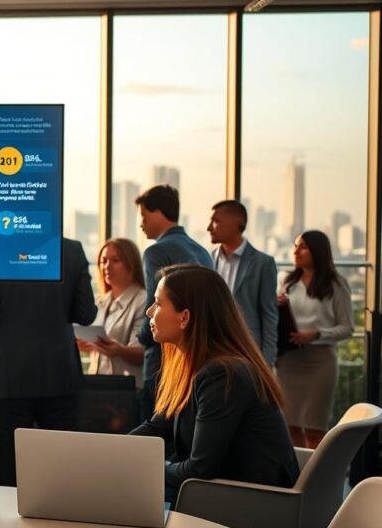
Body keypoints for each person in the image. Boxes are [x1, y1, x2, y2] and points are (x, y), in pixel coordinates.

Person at [130, 264, 299, 503]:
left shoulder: (222, 374)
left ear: (185, 317)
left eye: (157, 303)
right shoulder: (197, 366)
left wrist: (140, 470)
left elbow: (200, 468)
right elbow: (158, 428)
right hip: (227, 489)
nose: (149, 311)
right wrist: (115, 452)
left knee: (126, 493)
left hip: (252, 502)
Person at [0, 237, 97, 487]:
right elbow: (85, 314)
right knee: (60, 463)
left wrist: (0, 350)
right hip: (59, 373)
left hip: (7, 374)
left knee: (8, 466)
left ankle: (7, 525)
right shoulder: (72, 250)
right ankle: (58, 520)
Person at [134, 185, 213, 420]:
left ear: (158, 213)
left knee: (155, 432)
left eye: (144, 217)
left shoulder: (156, 252)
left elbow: (153, 305)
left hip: (164, 357)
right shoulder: (202, 251)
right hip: (197, 353)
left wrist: (141, 338)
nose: (141, 224)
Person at [276, 230, 353, 449]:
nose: (295, 251)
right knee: (290, 426)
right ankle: (299, 478)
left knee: (314, 428)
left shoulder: (337, 284)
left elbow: (347, 328)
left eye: (303, 247)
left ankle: (317, 480)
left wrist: (317, 334)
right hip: (288, 361)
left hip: (320, 363)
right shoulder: (287, 282)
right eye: (295, 246)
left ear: (317, 251)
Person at [207, 200, 279, 366]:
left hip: (249, 351)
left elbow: (269, 315)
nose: (209, 227)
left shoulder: (263, 263)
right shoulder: (207, 260)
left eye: (216, 221)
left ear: (236, 224)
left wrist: (267, 361)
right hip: (213, 350)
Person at [77, 238, 145, 389]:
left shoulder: (143, 300)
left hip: (126, 389)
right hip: (97, 385)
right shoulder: (101, 301)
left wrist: (118, 349)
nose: (107, 266)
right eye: (103, 261)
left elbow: (141, 352)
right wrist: (88, 345)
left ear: (131, 264)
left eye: (115, 260)